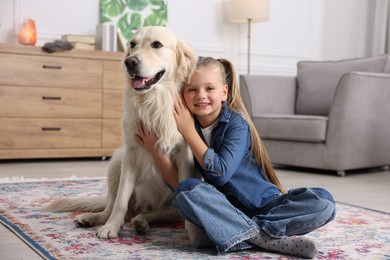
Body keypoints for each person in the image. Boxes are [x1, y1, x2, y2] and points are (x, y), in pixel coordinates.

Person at [135, 56, 336, 258]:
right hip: (221, 211)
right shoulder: (181, 125)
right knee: (186, 191)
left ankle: (235, 234)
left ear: (224, 92)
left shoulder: (235, 123)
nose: (201, 95)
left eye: (209, 89)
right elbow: (179, 182)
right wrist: (157, 152)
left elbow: (220, 173)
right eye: (192, 89)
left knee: (324, 202)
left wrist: (189, 132)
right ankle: (262, 239)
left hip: (265, 207)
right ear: (182, 93)